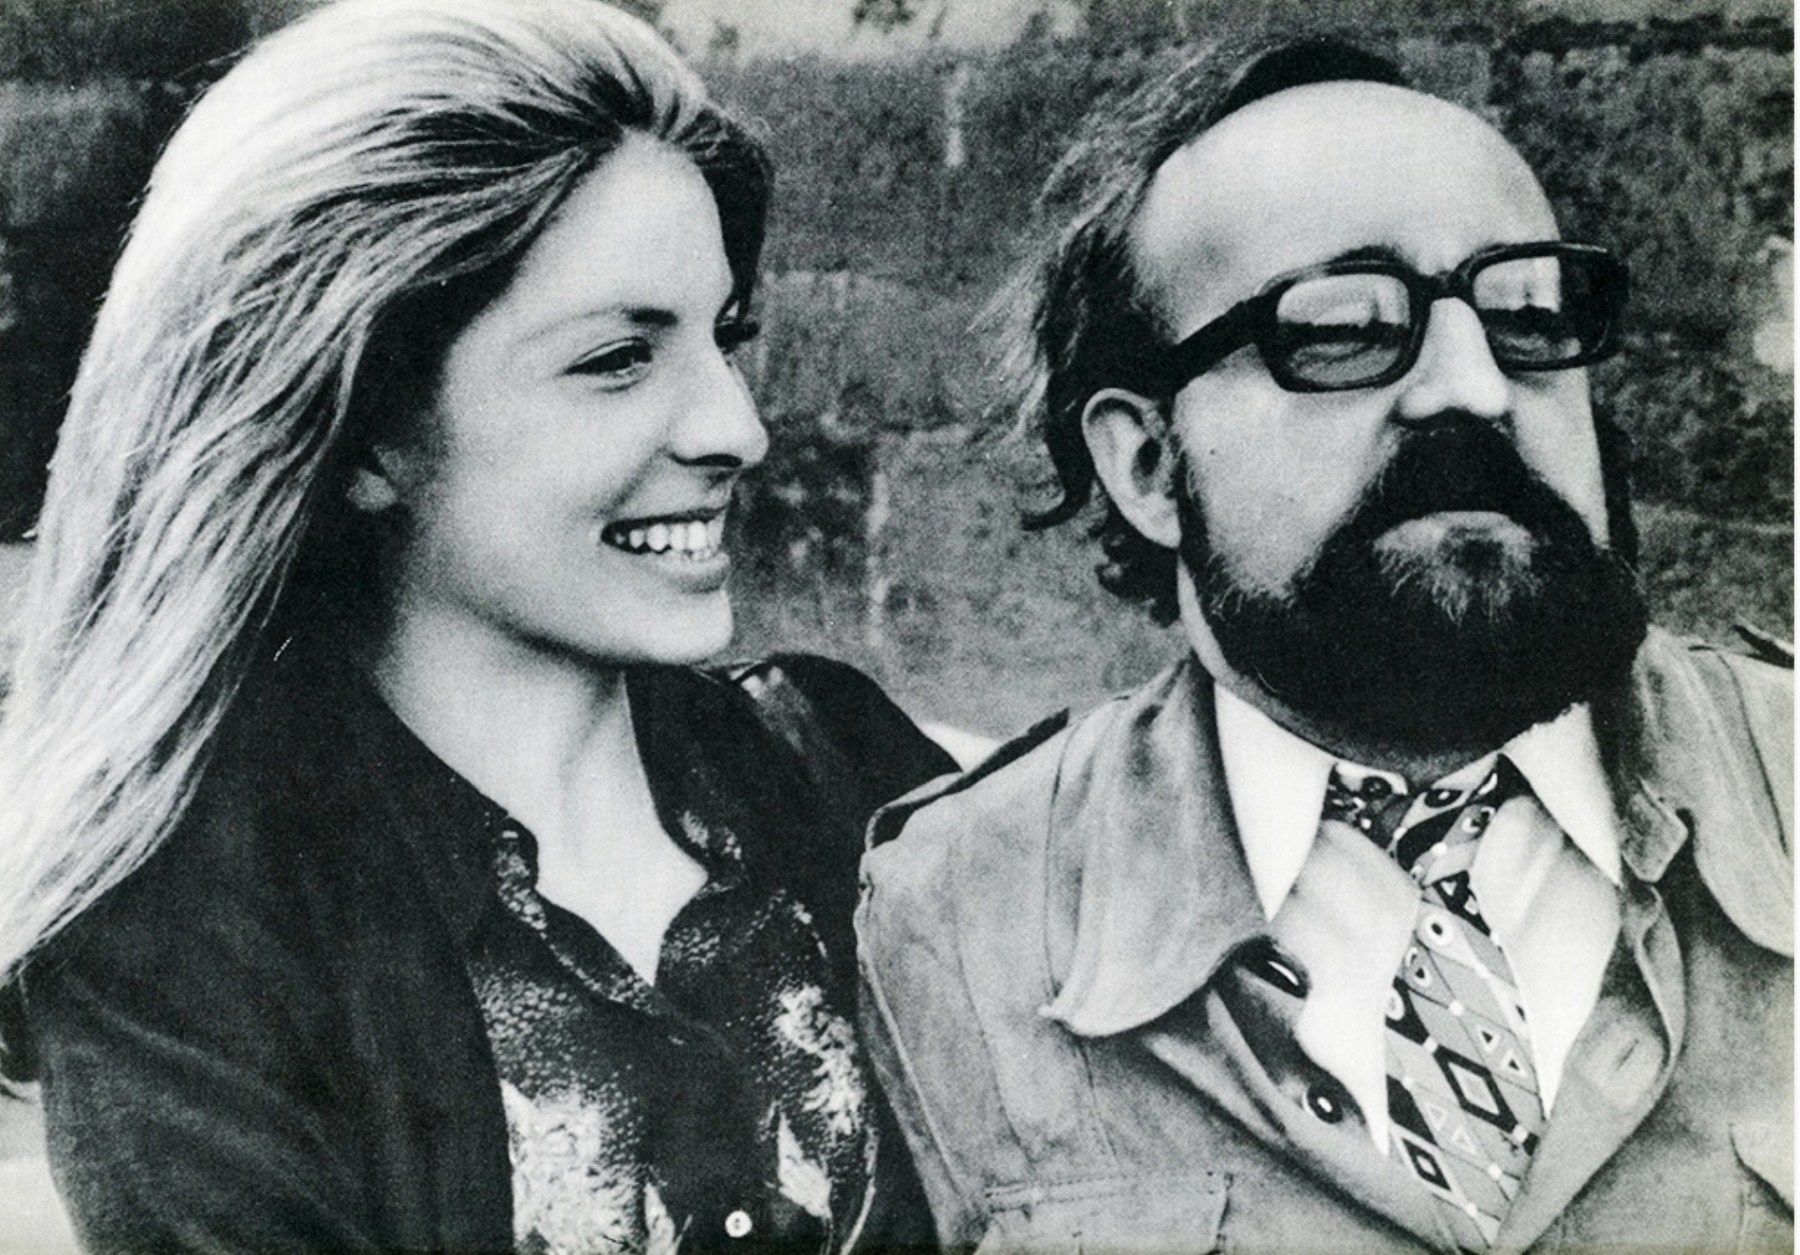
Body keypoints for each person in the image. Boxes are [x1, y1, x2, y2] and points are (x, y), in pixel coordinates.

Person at [0, 1, 957, 1250]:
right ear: (365, 432)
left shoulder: (842, 765)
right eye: (618, 358)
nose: (738, 429)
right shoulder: (189, 936)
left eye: (726, 337)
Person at [858, 33, 1792, 1255]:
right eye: (1344, 327)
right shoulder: (953, 917)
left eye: (1525, 315)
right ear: (1146, 463)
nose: (1472, 388)